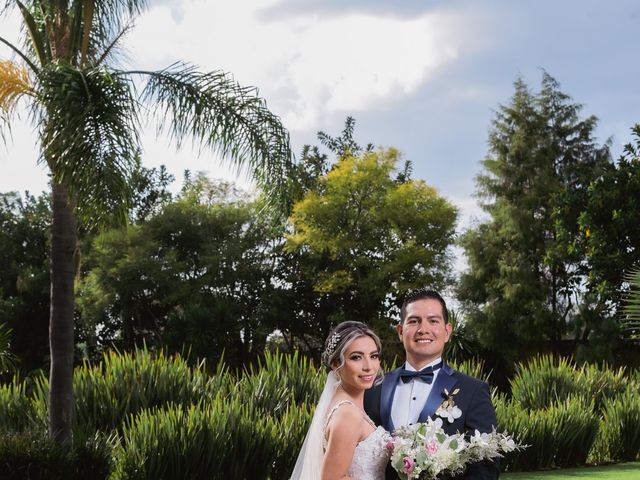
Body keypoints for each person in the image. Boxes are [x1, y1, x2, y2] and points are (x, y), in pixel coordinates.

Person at [364, 288, 500, 480]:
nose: (423, 329)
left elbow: (486, 466)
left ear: (447, 331)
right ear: (400, 331)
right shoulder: (373, 389)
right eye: (414, 321)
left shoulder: (473, 391)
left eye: (433, 320)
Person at [290, 321, 391, 480]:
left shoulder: (345, 404)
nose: (369, 366)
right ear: (336, 364)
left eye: (373, 356)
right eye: (356, 357)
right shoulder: (347, 414)